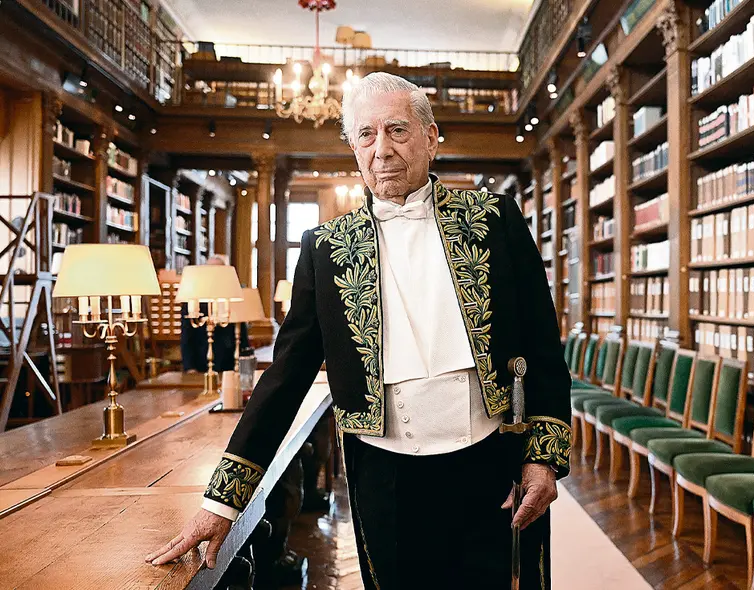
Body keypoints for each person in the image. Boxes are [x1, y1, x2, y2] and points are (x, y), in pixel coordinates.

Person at [146, 72, 571, 589]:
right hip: (383, 474)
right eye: (366, 135)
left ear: (431, 137)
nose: (383, 150)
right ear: (353, 148)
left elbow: (543, 345)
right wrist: (221, 501)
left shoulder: (495, 218)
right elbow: (286, 375)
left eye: (397, 129)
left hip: (491, 461)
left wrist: (543, 459)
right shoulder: (324, 247)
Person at [179, 254, 248, 373]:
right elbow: (187, 339)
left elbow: (242, 338)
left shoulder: (233, 300)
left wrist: (242, 367)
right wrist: (190, 368)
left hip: (229, 365)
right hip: (200, 366)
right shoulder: (193, 303)